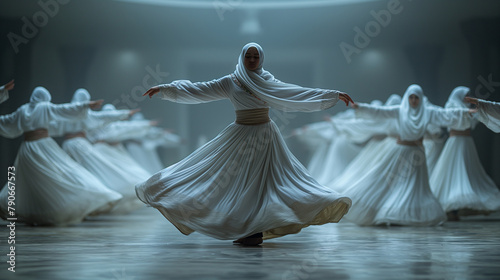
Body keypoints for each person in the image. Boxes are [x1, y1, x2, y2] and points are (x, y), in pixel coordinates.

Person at [136, 42, 353, 246]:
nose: (251, 60)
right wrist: (166, 89)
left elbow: (294, 92)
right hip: (240, 134)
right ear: (242, 57)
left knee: (264, 182)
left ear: (261, 59)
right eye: (248, 56)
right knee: (237, 180)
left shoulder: (268, 81)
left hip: (266, 135)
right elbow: (199, 89)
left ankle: (255, 229)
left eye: (255, 56)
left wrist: (331, 95)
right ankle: (245, 228)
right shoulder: (231, 81)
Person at [344, 84, 474, 226]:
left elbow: (446, 115)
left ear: (420, 99)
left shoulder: (427, 112)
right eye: (411, 97)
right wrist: (360, 107)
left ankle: (400, 214)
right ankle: (385, 211)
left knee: (414, 186)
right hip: (400, 151)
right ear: (407, 98)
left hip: (417, 154)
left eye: (416, 98)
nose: (413, 101)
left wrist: (467, 113)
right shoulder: (400, 111)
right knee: (389, 182)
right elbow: (380, 112)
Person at [0, 87, 122, 225]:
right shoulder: (44, 107)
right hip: (43, 146)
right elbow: (63, 110)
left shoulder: (23, 110)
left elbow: (7, 121)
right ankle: (55, 206)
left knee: (33, 179)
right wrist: (84, 106)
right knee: (58, 173)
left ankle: (40, 210)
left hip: (27, 148)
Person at [49, 89, 141, 214]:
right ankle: (89, 196)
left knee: (80, 171)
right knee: (83, 171)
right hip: (80, 145)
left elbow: (105, 116)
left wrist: (124, 113)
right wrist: (125, 113)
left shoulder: (70, 113)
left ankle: (93, 196)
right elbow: (104, 116)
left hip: (71, 144)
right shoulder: (79, 113)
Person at [430, 87, 500, 220]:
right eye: (465, 95)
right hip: (455, 143)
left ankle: (460, 208)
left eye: (468, 95)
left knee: (470, 173)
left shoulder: (470, 110)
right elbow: (449, 115)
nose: (467, 98)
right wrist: (468, 112)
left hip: (467, 143)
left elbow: (477, 117)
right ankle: (450, 207)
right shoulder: (451, 107)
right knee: (454, 173)